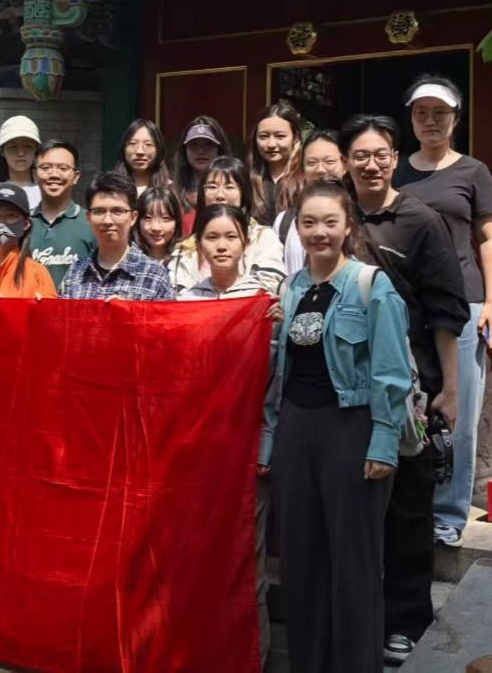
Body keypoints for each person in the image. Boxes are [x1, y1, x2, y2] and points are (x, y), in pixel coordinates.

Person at [262, 180, 411, 673]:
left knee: (353, 563)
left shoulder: (371, 285)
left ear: (348, 226)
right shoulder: (290, 288)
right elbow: (278, 375)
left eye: (330, 222)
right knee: (301, 561)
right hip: (295, 430)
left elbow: (392, 372)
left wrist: (383, 442)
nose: (319, 232)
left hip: (352, 428)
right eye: (309, 223)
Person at [338, 114, 469, 667]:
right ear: (346, 161)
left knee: (408, 507)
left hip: (410, 385)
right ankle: (360, 614)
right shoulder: (336, 215)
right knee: (354, 503)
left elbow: (445, 309)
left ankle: (407, 620)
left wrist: (451, 388)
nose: (370, 165)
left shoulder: (419, 220)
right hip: (345, 385)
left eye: (380, 155)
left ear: (395, 158)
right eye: (360, 155)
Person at [393, 76, 492, 549]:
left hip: (463, 303)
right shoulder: (396, 171)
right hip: (406, 304)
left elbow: (489, 239)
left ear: (456, 119)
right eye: (421, 113)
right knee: (409, 404)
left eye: (440, 113)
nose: (430, 121)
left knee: (459, 409)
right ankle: (410, 506)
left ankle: (449, 514)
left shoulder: (473, 171)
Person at [177, 203, 271, 666]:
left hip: (247, 449)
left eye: (230, 237)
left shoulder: (264, 302)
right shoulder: (183, 302)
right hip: (196, 450)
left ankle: (252, 659)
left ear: (245, 243)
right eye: (211, 237)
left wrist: (267, 444)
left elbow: (274, 385)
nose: (221, 246)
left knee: (246, 560)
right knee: (195, 558)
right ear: (198, 245)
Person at [171, 156, 286, 296]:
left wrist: (226, 303)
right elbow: (177, 297)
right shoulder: (185, 248)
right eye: (212, 187)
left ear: (244, 193)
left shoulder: (262, 238)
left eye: (229, 187)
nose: (219, 195)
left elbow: (268, 287)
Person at [60, 171, 175, 301]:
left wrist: (131, 310)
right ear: (88, 218)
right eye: (99, 212)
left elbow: (167, 315)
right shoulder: (75, 272)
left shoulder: (155, 274)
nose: (107, 220)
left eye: (117, 211)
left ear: (133, 218)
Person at [274, 129, 345, 276]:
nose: (320, 170)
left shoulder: (357, 217)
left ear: (345, 165)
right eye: (311, 163)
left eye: (329, 162)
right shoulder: (284, 221)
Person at [28, 140, 97, 288]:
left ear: (76, 176)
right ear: (34, 174)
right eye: (46, 168)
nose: (54, 174)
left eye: (63, 168)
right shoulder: (23, 224)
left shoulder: (92, 223)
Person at [171, 115, 232, 235]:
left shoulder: (234, 191)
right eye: (193, 144)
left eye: (208, 144)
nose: (201, 151)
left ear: (220, 149)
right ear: (184, 151)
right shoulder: (171, 193)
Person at [246, 100, 304, 225]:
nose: (271, 144)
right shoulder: (246, 179)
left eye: (280, 136)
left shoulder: (307, 178)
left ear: (295, 138)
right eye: (263, 136)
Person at [112, 118, 172, 196]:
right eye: (133, 144)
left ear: (158, 150)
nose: (140, 152)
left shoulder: (171, 189)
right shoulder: (108, 188)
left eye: (148, 144)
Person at [131, 185, 183, 266]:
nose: (156, 228)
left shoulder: (186, 259)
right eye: (148, 218)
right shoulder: (127, 258)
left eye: (165, 218)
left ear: (177, 221)